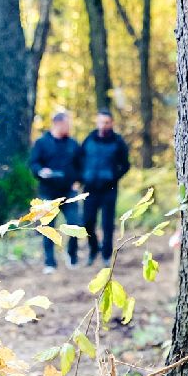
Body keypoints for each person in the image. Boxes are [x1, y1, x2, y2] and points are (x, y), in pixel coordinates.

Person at [75, 109, 132, 264]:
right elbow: (80, 160)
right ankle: (93, 249)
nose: (103, 125)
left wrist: (114, 177)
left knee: (107, 224)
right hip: (90, 189)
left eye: (107, 122)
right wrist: (80, 178)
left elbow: (125, 165)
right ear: (97, 122)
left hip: (109, 189)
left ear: (112, 123)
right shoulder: (89, 140)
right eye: (101, 122)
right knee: (87, 222)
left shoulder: (118, 142)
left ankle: (107, 255)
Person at [29, 110, 83, 272]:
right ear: (57, 124)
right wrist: (41, 171)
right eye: (67, 124)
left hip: (69, 192)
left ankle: (72, 254)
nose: (69, 127)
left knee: (76, 223)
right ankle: (50, 262)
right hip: (48, 193)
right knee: (48, 227)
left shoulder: (73, 144)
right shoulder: (42, 143)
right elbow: (33, 164)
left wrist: (78, 181)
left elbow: (81, 166)